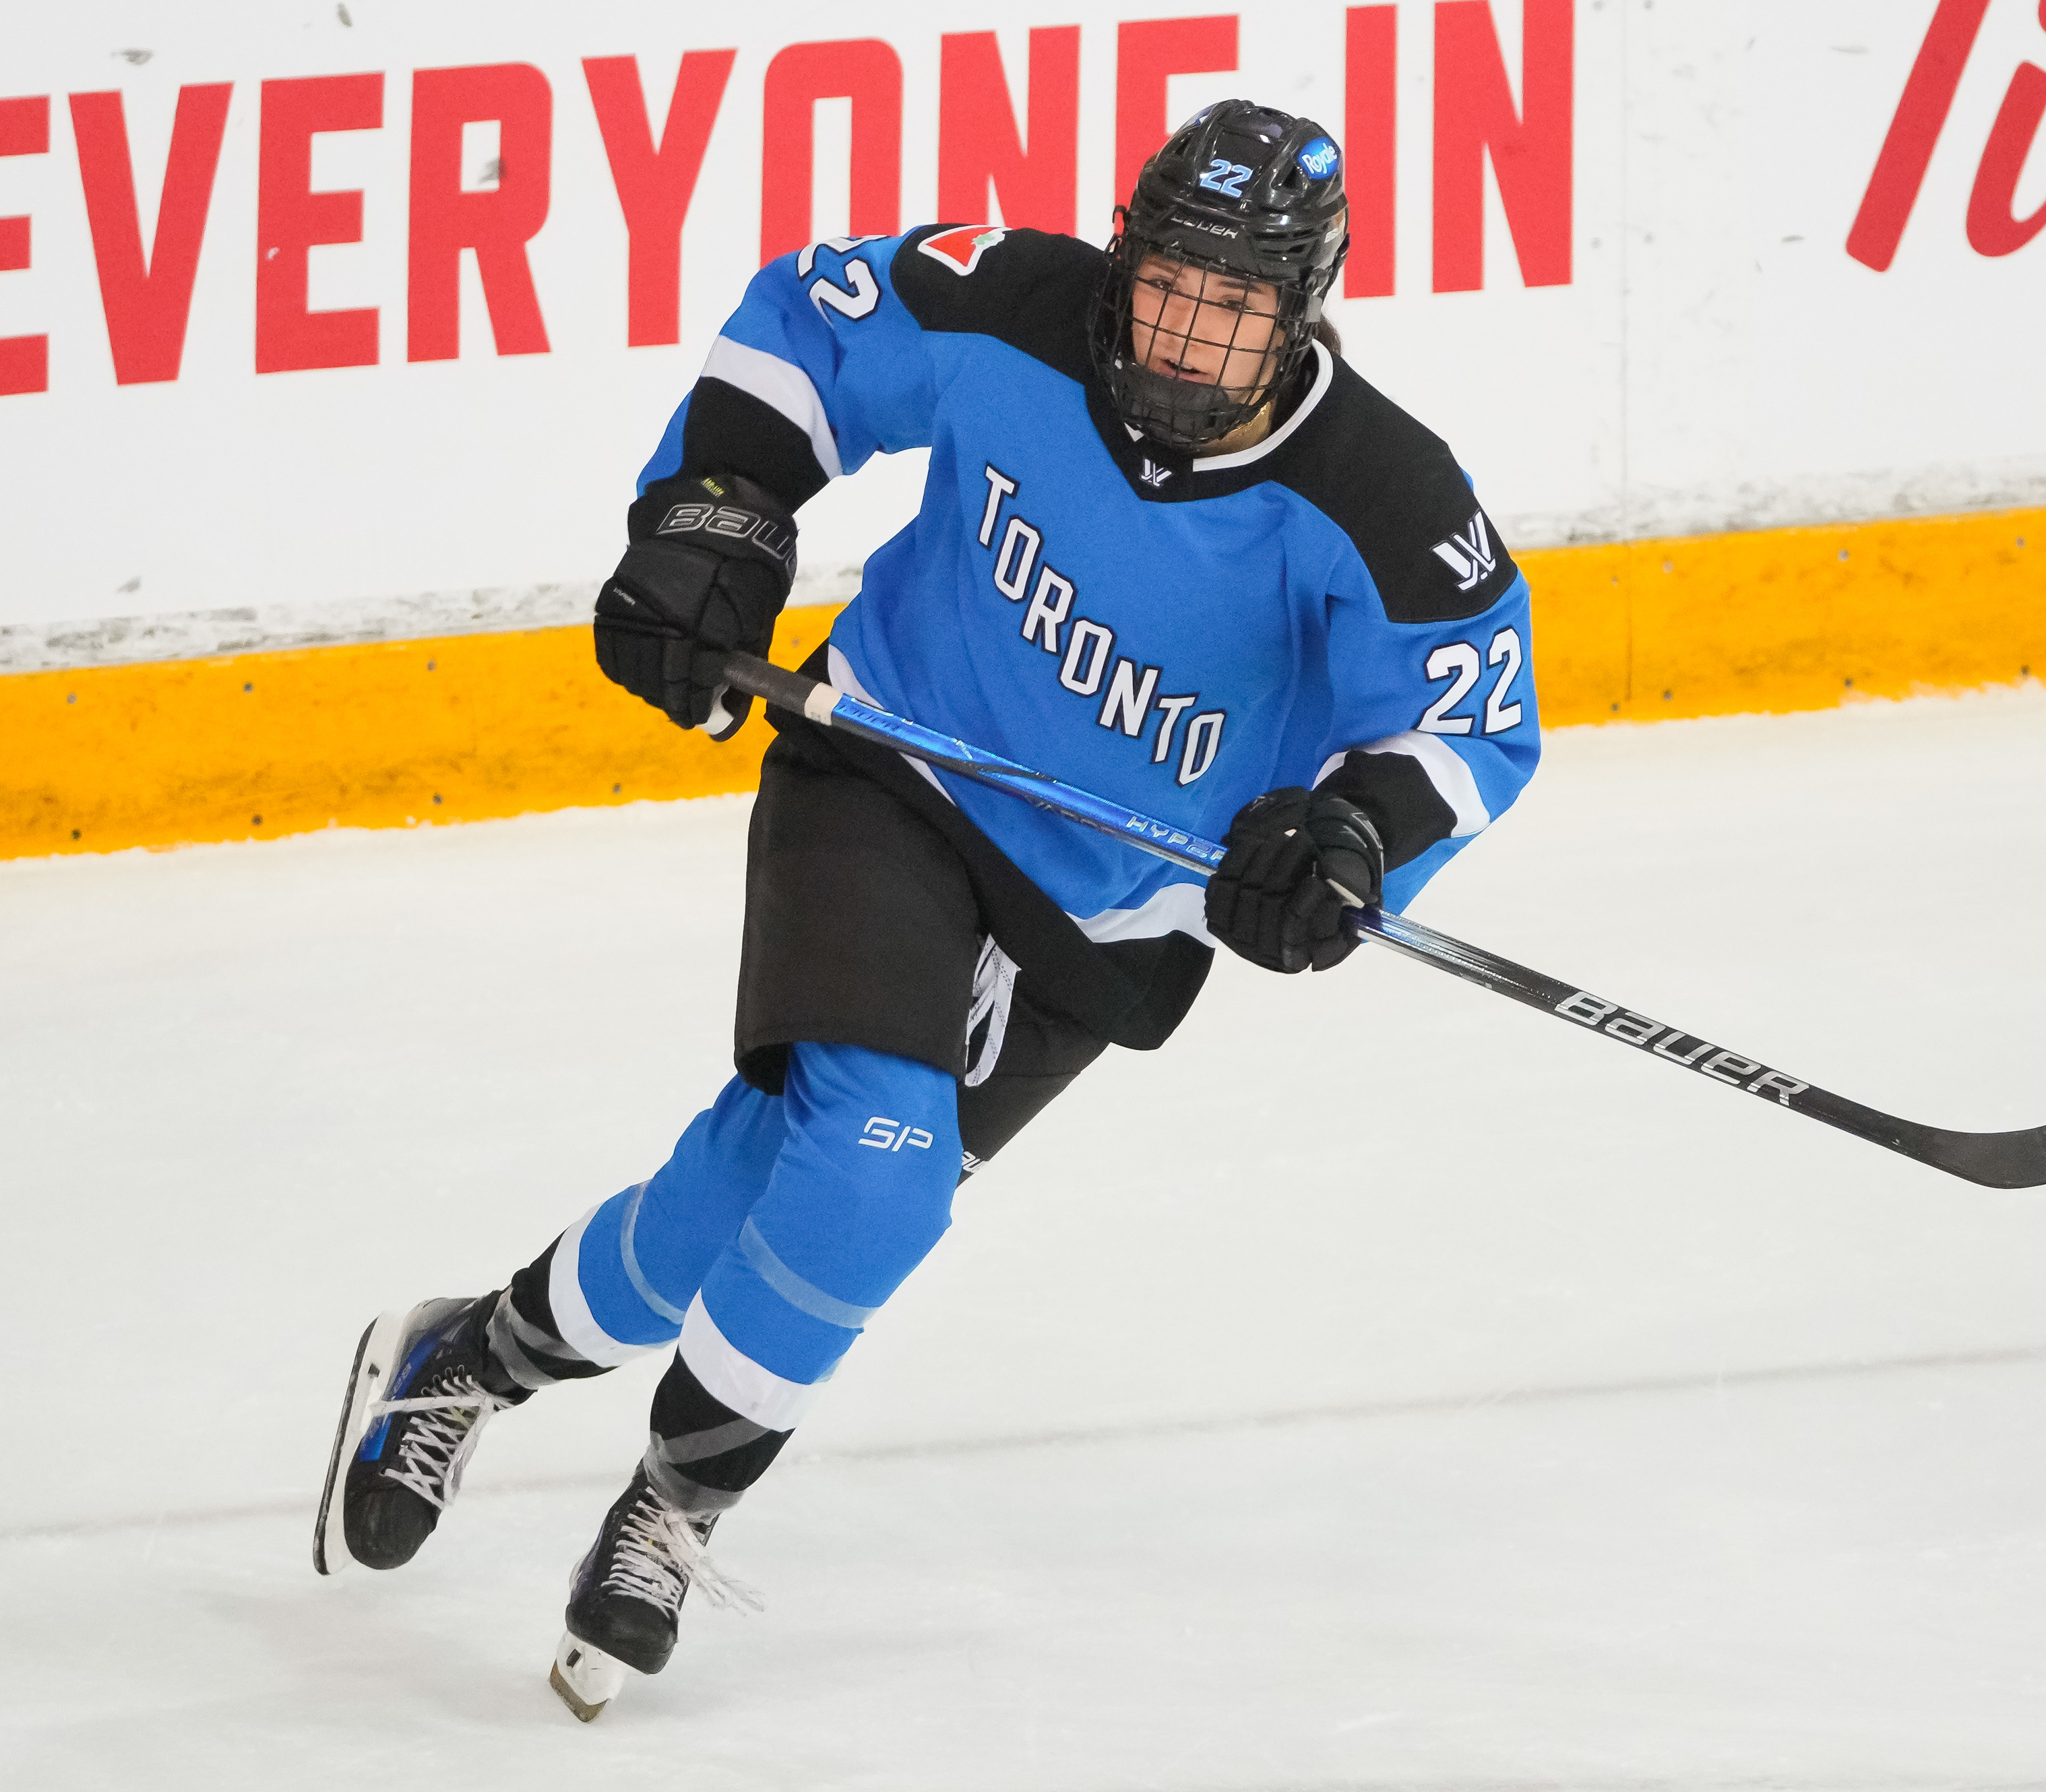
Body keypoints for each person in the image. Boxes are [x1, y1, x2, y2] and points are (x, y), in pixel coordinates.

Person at [311, 100, 1540, 1721]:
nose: (1180, 331)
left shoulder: (1381, 490)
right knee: (878, 1171)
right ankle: (680, 1501)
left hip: (1103, 912)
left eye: (1230, 307)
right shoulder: (1009, 301)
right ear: (1124, 253)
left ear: (1299, 308)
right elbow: (807, 339)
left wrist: (1350, 836)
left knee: (764, 1182)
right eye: (1164, 281)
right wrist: (719, 515)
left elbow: (1470, 721)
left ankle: (469, 1351)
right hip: (888, 766)